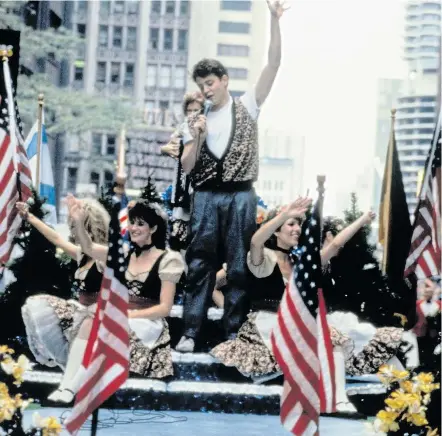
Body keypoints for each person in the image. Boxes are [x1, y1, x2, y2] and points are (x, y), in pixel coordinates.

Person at [176, 0, 287, 353]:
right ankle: (190, 332)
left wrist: (273, 20)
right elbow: (188, 167)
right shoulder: (195, 120)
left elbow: (273, 64)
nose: (207, 90)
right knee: (199, 265)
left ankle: (234, 334)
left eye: (211, 83)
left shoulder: (247, 106)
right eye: (201, 85)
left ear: (224, 81)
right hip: (206, 194)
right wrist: (196, 136)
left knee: (238, 266)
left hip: (241, 193)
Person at [47, 198, 185, 403]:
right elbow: (88, 247)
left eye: (140, 224)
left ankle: (73, 388)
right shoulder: (125, 254)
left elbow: (164, 308)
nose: (133, 228)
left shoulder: (168, 259)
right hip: (122, 316)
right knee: (87, 322)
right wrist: (78, 221)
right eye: (132, 223)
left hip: (148, 321)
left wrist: (128, 314)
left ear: (153, 228)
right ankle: (66, 386)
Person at [211, 198, 311, 383]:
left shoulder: (297, 263)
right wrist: (230, 308)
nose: (297, 229)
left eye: (299, 225)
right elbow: (256, 242)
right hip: (265, 328)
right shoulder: (264, 257)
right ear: (276, 230)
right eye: (291, 224)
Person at [18, 197, 109, 379]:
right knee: (34, 305)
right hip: (81, 314)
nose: (74, 232)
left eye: (76, 227)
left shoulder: (106, 255)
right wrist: (30, 217)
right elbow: (56, 238)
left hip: (99, 319)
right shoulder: (81, 254)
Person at [161, 92, 204, 254]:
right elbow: (169, 146)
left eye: (197, 110)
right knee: (180, 234)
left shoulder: (207, 129)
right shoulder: (183, 128)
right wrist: (164, 149)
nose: (193, 114)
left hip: (201, 186)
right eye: (190, 110)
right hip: (182, 183)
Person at [413, 278, 441, 369]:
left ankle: (433, 369)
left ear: (432, 293)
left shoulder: (439, 304)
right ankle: (423, 370)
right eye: (426, 292)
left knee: (434, 353)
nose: (428, 294)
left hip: (435, 334)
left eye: (430, 292)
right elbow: (413, 317)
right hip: (421, 333)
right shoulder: (417, 304)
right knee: (421, 352)